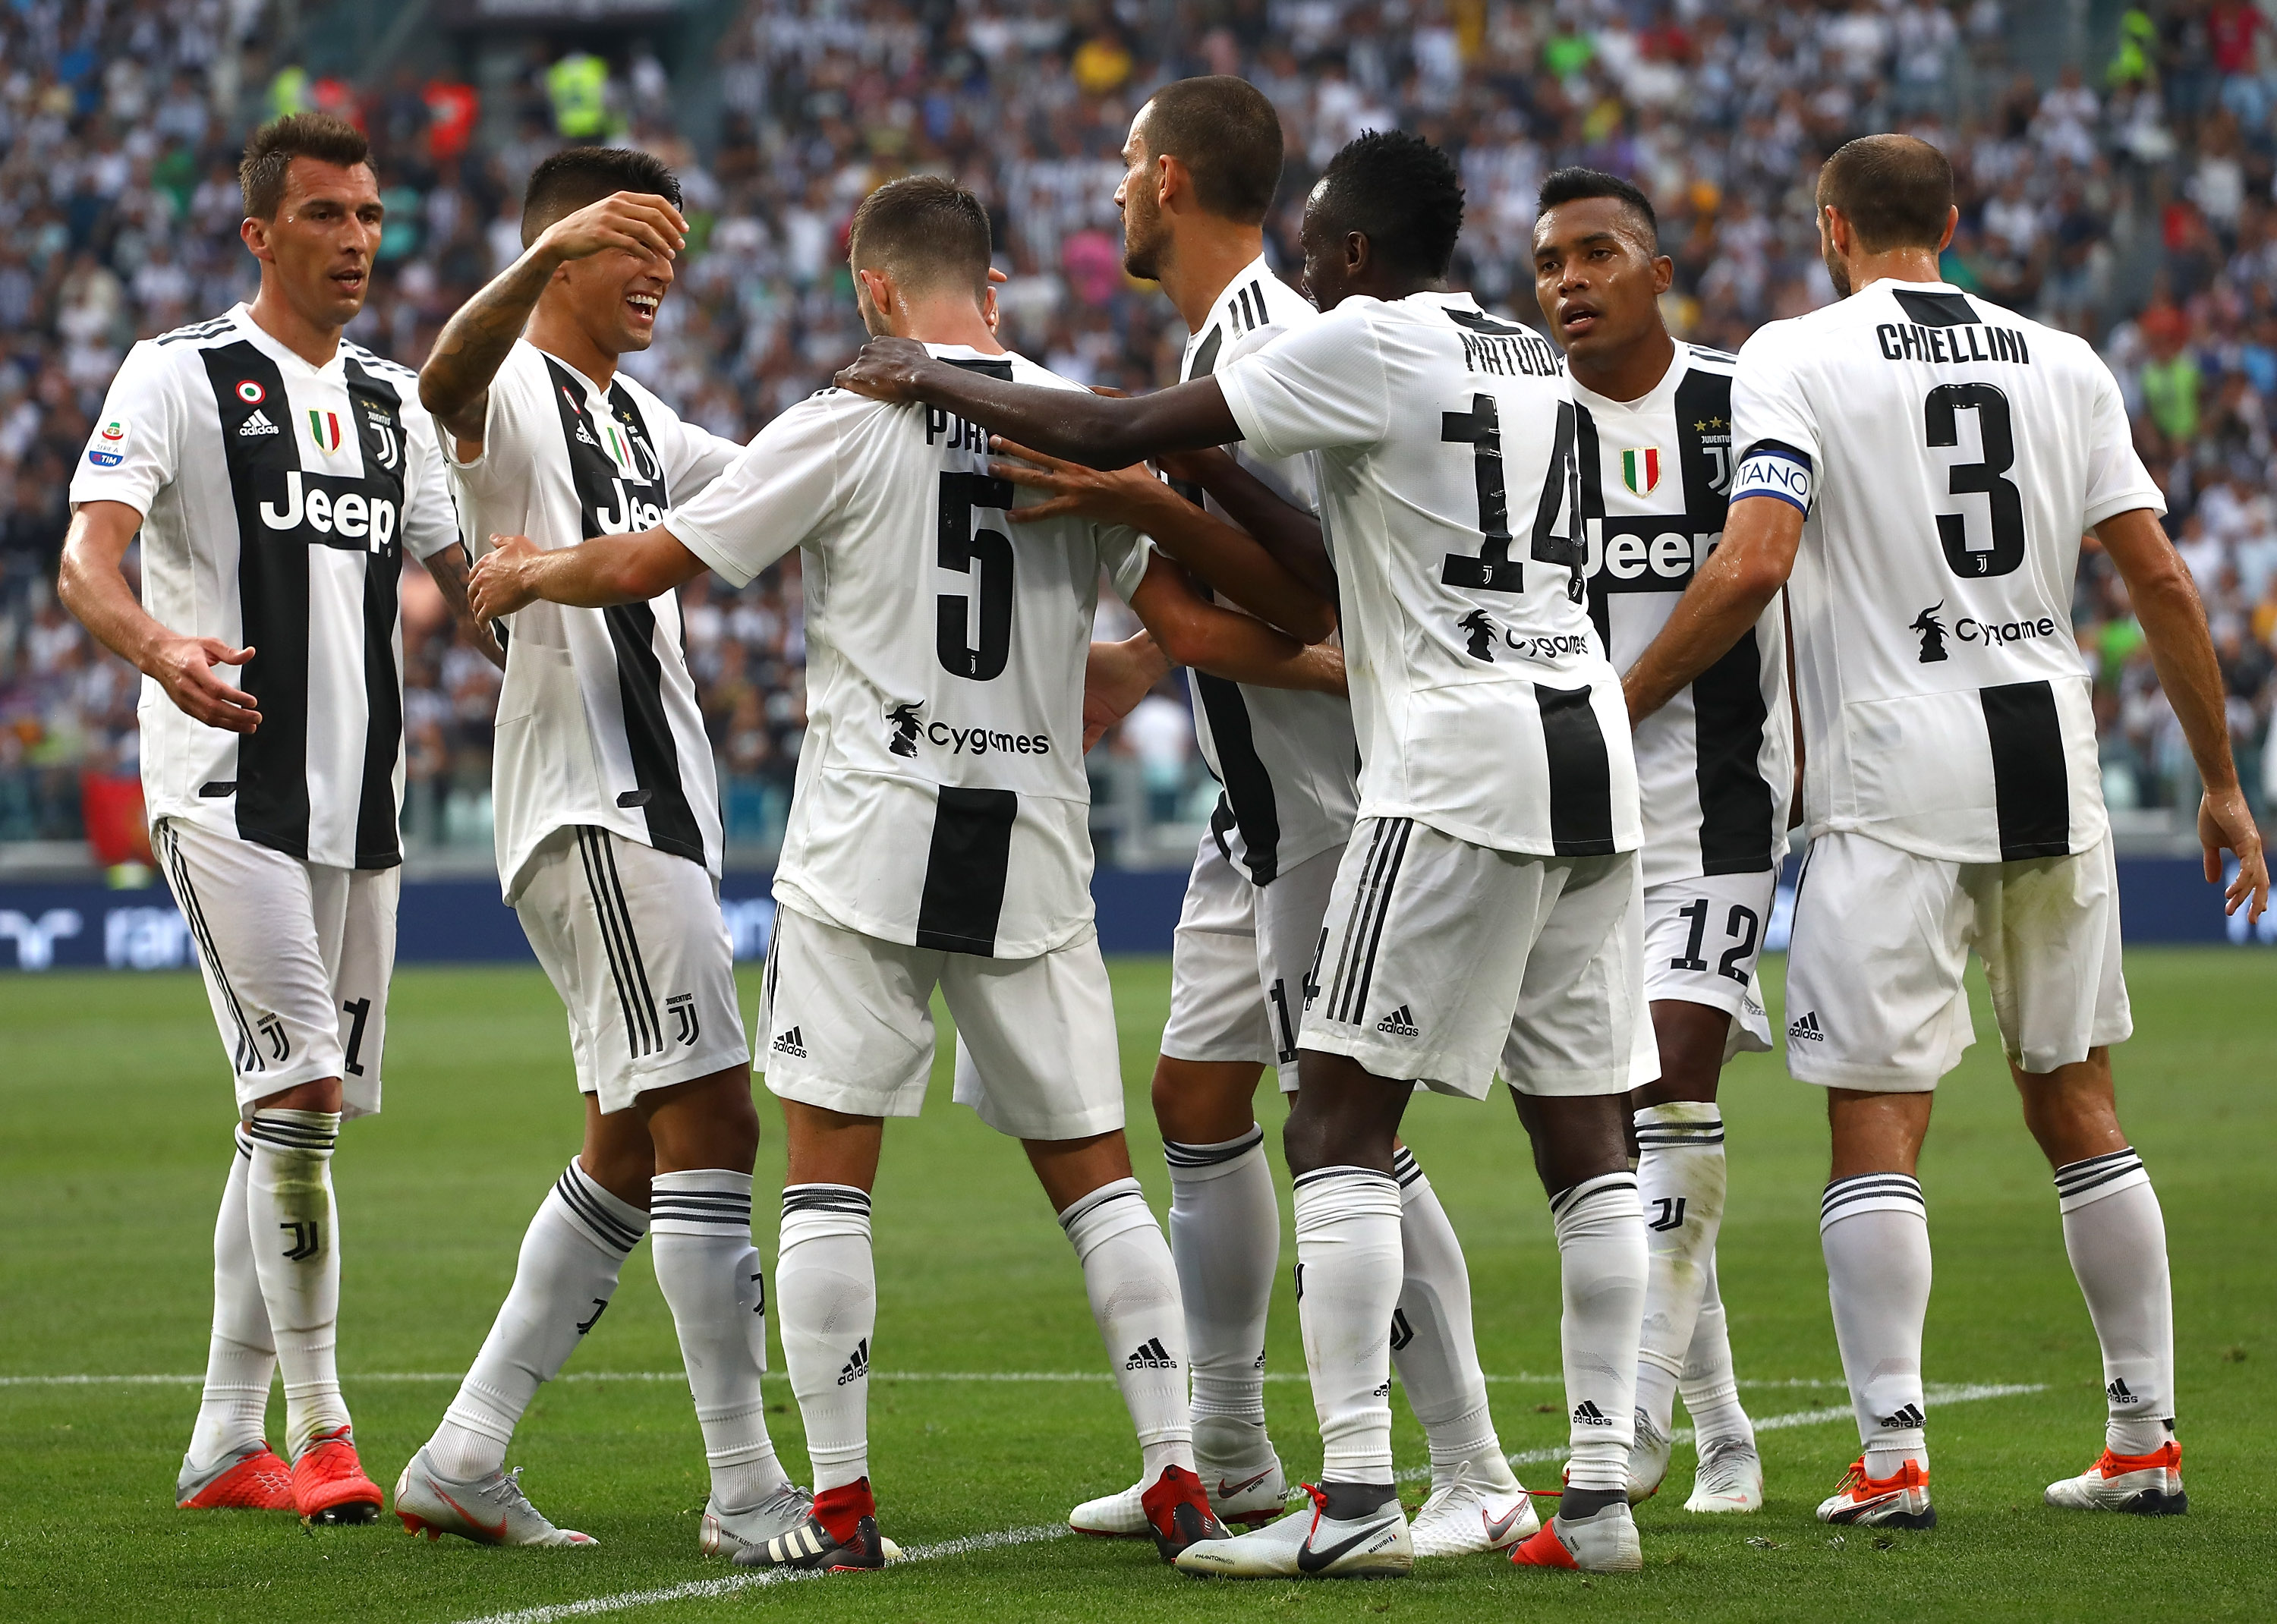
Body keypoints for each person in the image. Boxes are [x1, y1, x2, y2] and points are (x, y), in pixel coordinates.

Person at [468, 175, 1347, 1572]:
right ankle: (1178, 1468)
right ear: (990, 290)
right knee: (1095, 1173)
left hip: (868, 833)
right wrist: (1312, 659)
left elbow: (654, 560)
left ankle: (841, 1497)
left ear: (875, 293)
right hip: (1032, 834)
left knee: (830, 1171)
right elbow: (1181, 621)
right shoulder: (1071, 418)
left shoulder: (847, 416)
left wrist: (530, 574)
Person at [835, 130, 1658, 1578]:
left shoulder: (1326, 340)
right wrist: (1165, 596)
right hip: (1561, 737)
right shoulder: (1528, 361)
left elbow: (1193, 500)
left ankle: (1404, 1488)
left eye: (1127, 159)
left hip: (1405, 781)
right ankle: (1442, 1479)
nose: (1302, 257)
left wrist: (923, 374)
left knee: (1343, 1126)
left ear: (1338, 249)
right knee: (1347, 1109)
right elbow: (1320, 536)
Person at [1621, 134, 2269, 1529]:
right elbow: (2156, 573)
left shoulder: (1796, 354)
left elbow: (1758, 558)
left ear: (1833, 228)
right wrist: (2221, 781)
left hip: (1894, 776)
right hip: (2056, 765)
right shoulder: (2066, 359)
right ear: (1957, 223)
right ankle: (2146, 1437)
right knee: (2078, 1105)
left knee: (1879, 1122)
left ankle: (1894, 1456)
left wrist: (1621, 702)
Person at [1038, 76, 1537, 1559]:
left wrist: (1147, 552)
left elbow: (1313, 584)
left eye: (1130, 164)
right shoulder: (1233, 335)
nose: (1116, 189)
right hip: (1251, 796)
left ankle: (1469, 1462)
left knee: (1350, 1124)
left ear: (1174, 181)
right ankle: (1233, 1447)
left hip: (1332, 796)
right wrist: (1152, 643)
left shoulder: (1275, 338)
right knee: (1199, 1097)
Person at [57, 113, 491, 1525]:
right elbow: (87, 562)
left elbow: (452, 580)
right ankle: (323, 1430)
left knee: (286, 1122)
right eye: (325, 216)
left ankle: (220, 1442)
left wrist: (576, 591)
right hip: (224, 791)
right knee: (298, 1093)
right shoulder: (177, 376)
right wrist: (159, 649)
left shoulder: (390, 400)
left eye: (369, 214)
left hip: (361, 808)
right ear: (261, 233)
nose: (357, 239)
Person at [392, 147, 802, 1556]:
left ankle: (464, 1454)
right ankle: (746, 1485)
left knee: (628, 1148)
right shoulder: (502, 387)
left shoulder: (638, 419)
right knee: (717, 1124)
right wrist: (539, 247)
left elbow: (773, 492)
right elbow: (437, 380)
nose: (661, 273)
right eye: (634, 245)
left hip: (664, 806)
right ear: (561, 251)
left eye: (671, 250)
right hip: (592, 799)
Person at [1530, 167, 1787, 1515]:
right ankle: (1726, 1428)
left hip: (1720, 804)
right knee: (1620, 1123)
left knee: (1673, 1089)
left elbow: (1774, 569)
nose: (1568, 282)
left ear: (1656, 271)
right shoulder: (1517, 419)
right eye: (1549, 264)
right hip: (1574, 816)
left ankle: (1624, 1428)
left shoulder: (1746, 400)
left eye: (1596, 254)